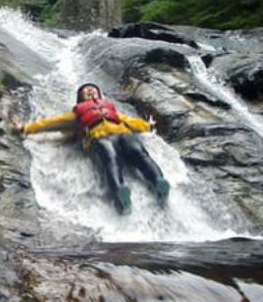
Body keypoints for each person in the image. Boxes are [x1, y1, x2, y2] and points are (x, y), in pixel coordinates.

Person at [13, 83, 170, 215]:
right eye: (86, 90)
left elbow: (129, 121)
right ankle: (120, 194)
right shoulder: (77, 112)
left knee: (138, 152)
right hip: (99, 138)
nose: (90, 90)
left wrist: (147, 126)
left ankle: (158, 181)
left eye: (93, 89)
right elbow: (50, 123)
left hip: (123, 134)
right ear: (80, 97)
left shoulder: (110, 109)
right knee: (111, 159)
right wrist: (25, 128)